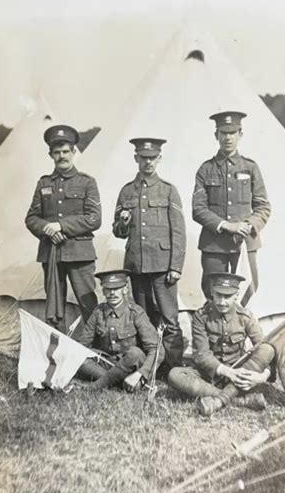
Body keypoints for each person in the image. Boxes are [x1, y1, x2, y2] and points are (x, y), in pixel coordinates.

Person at [112, 138, 186, 368]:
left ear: (159, 159)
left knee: (169, 318)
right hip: (137, 265)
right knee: (144, 319)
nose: (148, 162)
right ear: (136, 159)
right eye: (143, 158)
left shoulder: (168, 190)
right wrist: (123, 222)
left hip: (163, 266)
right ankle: (151, 364)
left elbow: (178, 232)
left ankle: (173, 367)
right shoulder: (126, 192)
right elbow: (118, 231)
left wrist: (175, 266)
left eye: (152, 158)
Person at [25, 124, 101, 330]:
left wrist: (61, 226)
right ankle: (58, 354)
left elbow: (94, 219)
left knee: (88, 305)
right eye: (56, 152)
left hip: (80, 255)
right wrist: (47, 229)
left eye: (65, 151)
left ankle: (100, 352)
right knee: (54, 308)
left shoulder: (87, 182)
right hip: (51, 253)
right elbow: (31, 218)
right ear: (51, 154)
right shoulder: (44, 183)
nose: (62, 156)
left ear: (74, 152)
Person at [167, 273, 276, 416]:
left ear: (236, 296)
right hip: (210, 375)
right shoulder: (201, 317)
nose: (222, 302)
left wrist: (261, 378)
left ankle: (218, 400)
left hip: (239, 373)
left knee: (268, 348)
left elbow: (265, 350)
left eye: (227, 297)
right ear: (212, 292)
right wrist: (229, 373)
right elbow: (202, 355)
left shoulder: (245, 317)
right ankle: (240, 401)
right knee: (174, 375)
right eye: (218, 295)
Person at [192, 111, 271, 304]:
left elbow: (263, 206)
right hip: (214, 244)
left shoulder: (250, 167)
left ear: (240, 135)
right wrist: (227, 225)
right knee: (213, 292)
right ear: (216, 135)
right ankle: (214, 333)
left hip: (244, 243)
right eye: (223, 133)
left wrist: (247, 225)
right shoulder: (206, 169)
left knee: (247, 289)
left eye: (233, 132)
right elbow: (198, 209)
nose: (228, 137)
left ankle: (237, 332)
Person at [76, 270, 164, 391]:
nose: (112, 293)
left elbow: (157, 349)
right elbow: (82, 345)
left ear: (125, 289)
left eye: (117, 288)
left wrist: (140, 373)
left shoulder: (136, 313)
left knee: (135, 353)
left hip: (130, 365)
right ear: (103, 291)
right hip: (107, 364)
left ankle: (95, 386)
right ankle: (120, 383)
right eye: (108, 289)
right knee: (81, 358)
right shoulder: (98, 312)